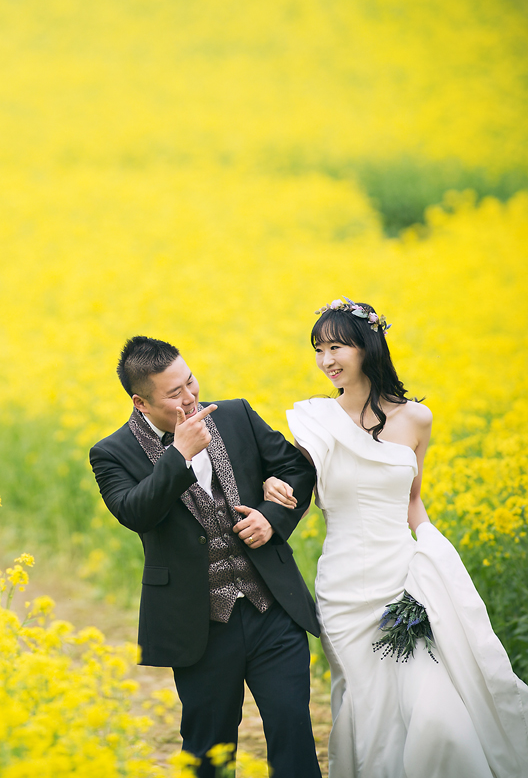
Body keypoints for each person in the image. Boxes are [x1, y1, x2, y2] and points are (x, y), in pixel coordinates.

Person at [270, 298, 528, 778]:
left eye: (336, 347)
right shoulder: (312, 422)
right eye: (318, 349)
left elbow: (412, 500)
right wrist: (272, 488)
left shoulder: (416, 419)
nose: (326, 360)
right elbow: (295, 488)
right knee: (367, 708)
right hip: (343, 589)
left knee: (436, 714)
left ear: (366, 346)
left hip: (404, 579)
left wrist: (436, 559)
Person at [90, 336, 322, 778]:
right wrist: (179, 455)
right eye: (174, 393)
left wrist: (272, 517)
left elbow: (296, 469)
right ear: (141, 402)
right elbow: (135, 513)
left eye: (190, 381)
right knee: (208, 750)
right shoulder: (112, 452)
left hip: (272, 608)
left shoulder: (235, 415)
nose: (190, 396)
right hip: (199, 625)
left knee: (293, 733)